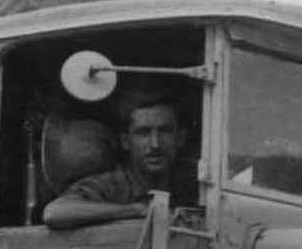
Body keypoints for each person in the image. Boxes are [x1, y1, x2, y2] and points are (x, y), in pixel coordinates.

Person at [43, 88, 195, 230]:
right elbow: (55, 212)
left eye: (165, 131)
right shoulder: (111, 184)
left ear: (181, 138)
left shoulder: (194, 182)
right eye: (143, 133)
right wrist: (137, 210)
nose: (155, 144)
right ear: (125, 141)